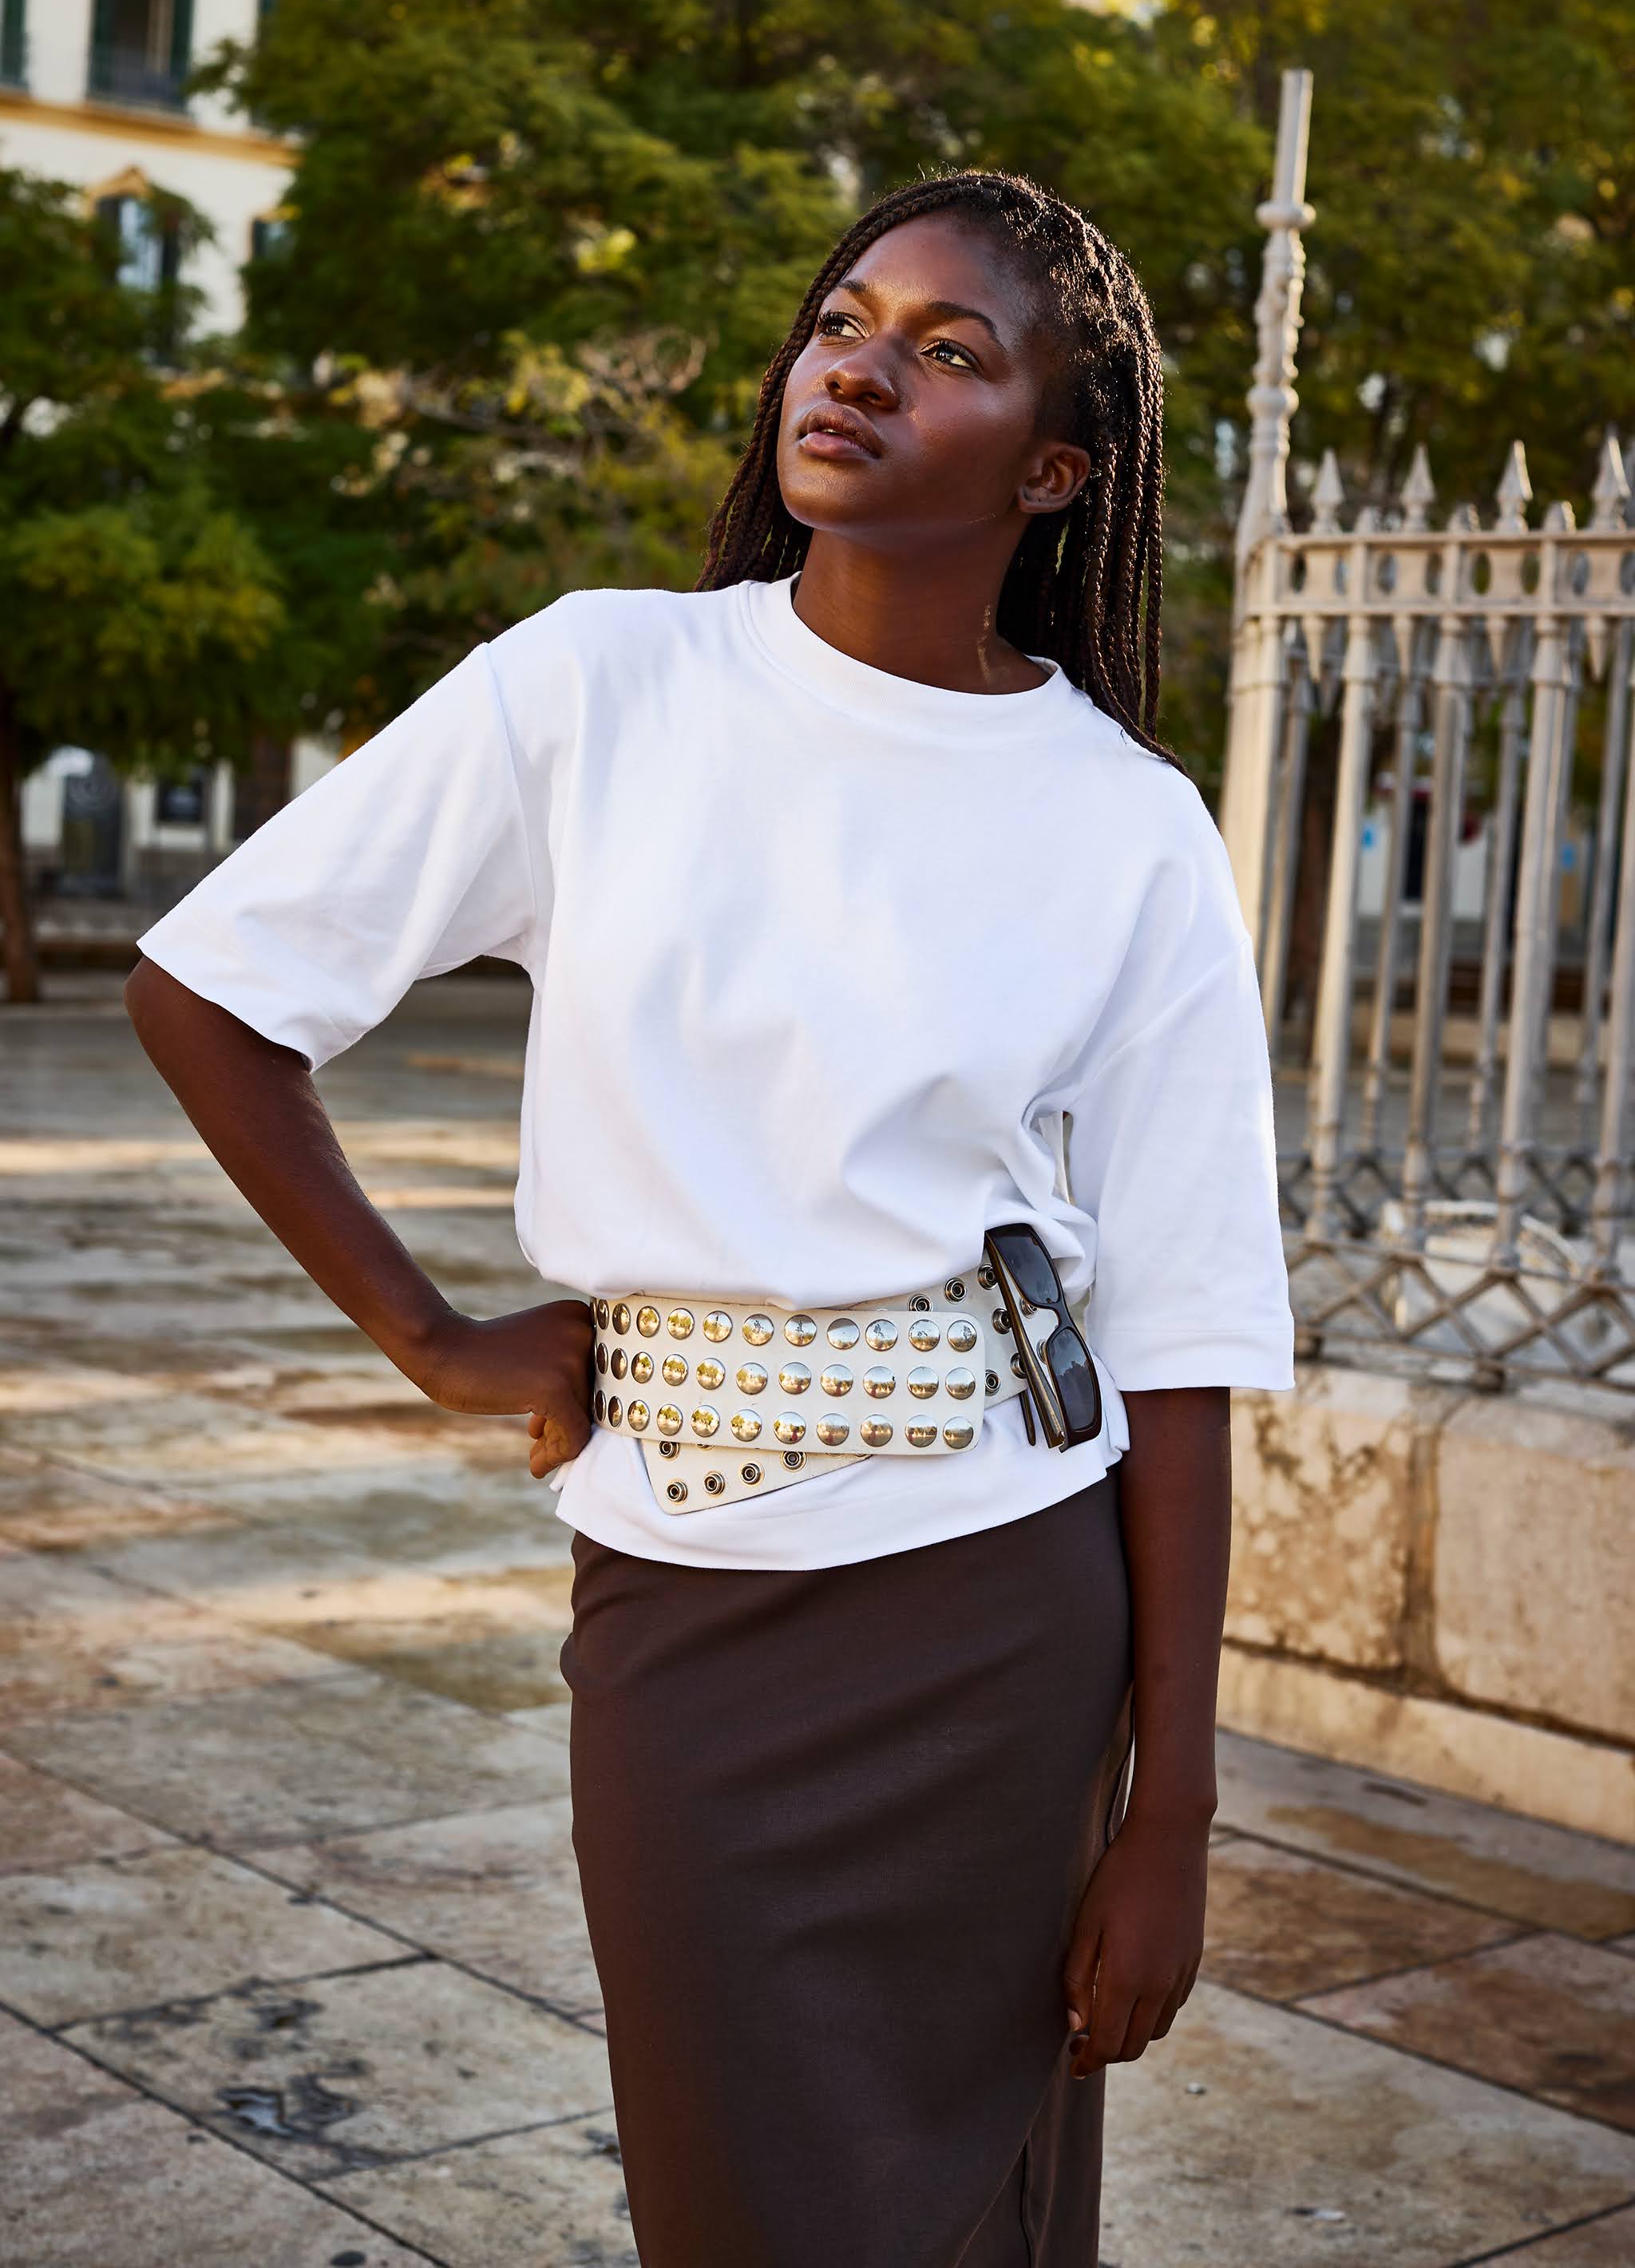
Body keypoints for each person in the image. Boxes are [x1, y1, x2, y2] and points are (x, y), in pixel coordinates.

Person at [127, 168, 1295, 2267]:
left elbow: (1185, 1336)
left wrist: (1174, 1815)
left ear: (1053, 469)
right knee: (734, 2205)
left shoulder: (1131, 828)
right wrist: (432, 1337)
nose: (858, 368)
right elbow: (212, 992)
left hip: (1006, 1621)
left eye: (946, 350)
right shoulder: (600, 685)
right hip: (686, 1605)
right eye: (843, 321)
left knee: (981, 2216)